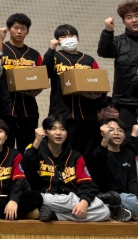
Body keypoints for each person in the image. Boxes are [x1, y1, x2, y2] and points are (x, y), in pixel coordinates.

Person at [21, 115, 111, 222]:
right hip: (46, 198)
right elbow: (27, 171)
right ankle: (58, 211)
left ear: (67, 133)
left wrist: (84, 202)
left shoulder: (75, 155)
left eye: (62, 129)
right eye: (53, 129)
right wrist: (36, 142)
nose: (58, 133)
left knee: (105, 212)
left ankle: (54, 215)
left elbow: (87, 183)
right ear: (45, 132)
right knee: (38, 198)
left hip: (69, 199)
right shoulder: (35, 150)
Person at [97, 0, 138, 128]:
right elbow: (103, 52)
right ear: (124, 22)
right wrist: (108, 31)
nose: (134, 20)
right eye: (129, 17)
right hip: (124, 103)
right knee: (126, 137)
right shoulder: (118, 41)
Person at [43, 24, 104, 158]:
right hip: (63, 113)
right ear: (58, 41)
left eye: (71, 36)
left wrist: (97, 95)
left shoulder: (89, 60)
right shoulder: (54, 56)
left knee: (87, 153)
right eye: (63, 36)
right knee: (63, 152)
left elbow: (100, 82)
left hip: (87, 115)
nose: (68, 39)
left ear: (78, 38)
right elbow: (44, 73)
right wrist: (51, 49)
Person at [0, 14, 43, 151]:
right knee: (3, 148)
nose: (19, 31)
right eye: (16, 28)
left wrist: (36, 91)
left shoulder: (34, 54)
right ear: (9, 30)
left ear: (27, 31)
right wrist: (0, 38)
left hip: (28, 109)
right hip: (3, 107)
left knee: (27, 148)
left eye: (23, 28)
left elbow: (41, 78)